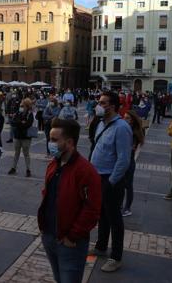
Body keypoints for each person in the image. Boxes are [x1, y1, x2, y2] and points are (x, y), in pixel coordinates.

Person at [38, 118, 101, 283]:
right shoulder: (54, 164)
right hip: (50, 236)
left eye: (54, 140)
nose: (49, 143)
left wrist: (73, 236)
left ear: (69, 142)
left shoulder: (85, 171)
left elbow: (92, 209)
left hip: (70, 243)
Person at [89, 91, 132, 272]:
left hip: (111, 178)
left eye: (103, 102)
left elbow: (124, 159)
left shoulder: (121, 127)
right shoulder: (100, 123)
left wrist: (112, 181)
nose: (99, 105)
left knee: (114, 217)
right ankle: (100, 246)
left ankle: (116, 257)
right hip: (98, 175)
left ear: (112, 106)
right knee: (101, 214)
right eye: (99, 102)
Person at [122, 110, 145, 217]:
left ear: (132, 121)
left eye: (127, 118)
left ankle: (127, 208)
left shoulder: (134, 132)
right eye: (124, 117)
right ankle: (121, 206)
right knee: (121, 185)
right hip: (123, 160)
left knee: (128, 186)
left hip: (129, 161)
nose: (124, 119)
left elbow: (131, 148)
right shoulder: (125, 129)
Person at [8, 98, 34, 177]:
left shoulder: (30, 114)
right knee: (16, 153)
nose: (20, 107)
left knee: (26, 153)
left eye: (22, 106)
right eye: (20, 106)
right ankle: (13, 167)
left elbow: (28, 124)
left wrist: (19, 123)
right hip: (17, 136)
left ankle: (28, 169)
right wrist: (21, 122)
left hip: (26, 137)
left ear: (27, 106)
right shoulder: (17, 113)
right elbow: (12, 122)